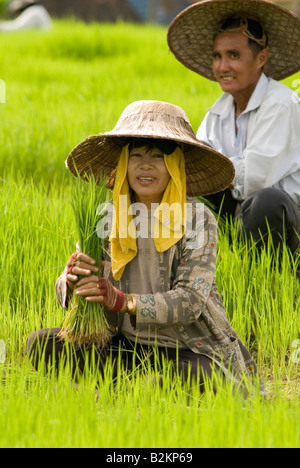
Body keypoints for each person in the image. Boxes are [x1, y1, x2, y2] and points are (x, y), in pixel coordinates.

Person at [27, 100, 265, 394]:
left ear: (175, 164)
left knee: (201, 377)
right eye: (136, 155)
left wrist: (123, 301)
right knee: (41, 344)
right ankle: (138, 385)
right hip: (123, 346)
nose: (145, 165)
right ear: (124, 163)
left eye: (157, 156)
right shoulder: (106, 216)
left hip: (187, 350)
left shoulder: (197, 219)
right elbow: (73, 287)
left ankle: (127, 387)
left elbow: (190, 301)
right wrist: (73, 280)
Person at [168, 0, 300, 270]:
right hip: (243, 222)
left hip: (287, 224)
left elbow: (256, 180)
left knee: (266, 202)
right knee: (191, 188)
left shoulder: (280, 102)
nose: (222, 66)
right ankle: (195, 278)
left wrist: (212, 166)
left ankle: (271, 287)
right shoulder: (217, 114)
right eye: (217, 56)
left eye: (234, 55)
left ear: (261, 58)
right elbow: (199, 174)